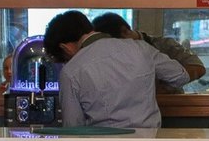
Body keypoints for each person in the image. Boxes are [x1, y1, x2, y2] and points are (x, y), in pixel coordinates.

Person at [43, 10, 190, 129]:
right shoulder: (140, 48)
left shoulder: (71, 71)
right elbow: (180, 77)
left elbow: (73, 128)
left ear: (65, 47)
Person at [91, 12, 206, 93]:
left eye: (116, 44)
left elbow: (198, 68)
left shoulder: (164, 45)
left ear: (125, 31)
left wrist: (163, 88)